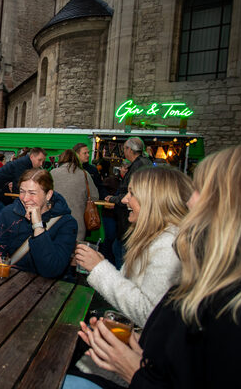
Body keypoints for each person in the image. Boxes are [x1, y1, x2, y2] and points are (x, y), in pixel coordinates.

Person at [76, 142, 241, 388]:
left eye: (201, 190)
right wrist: (131, 344)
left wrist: (135, 370)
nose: (191, 201)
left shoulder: (239, 306)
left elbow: (150, 313)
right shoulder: (214, 275)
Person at [64, 166, 192, 388]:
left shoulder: (168, 247)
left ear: (153, 200)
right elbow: (129, 291)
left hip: (140, 368)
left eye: (132, 194)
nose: (124, 200)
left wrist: (99, 268)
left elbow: (149, 314)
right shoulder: (154, 239)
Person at [0, 168, 77, 279]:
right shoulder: (9, 213)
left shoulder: (66, 223)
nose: (25, 198)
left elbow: (52, 270)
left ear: (48, 195)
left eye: (32, 193)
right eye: (22, 191)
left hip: (47, 288)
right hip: (11, 281)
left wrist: (38, 226)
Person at [0, 147, 47, 238]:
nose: (41, 164)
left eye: (42, 161)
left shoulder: (25, 164)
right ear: (32, 156)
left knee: (0, 227)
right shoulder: (23, 164)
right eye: (39, 160)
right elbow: (19, 187)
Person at [105, 137, 151, 268]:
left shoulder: (138, 166)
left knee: (121, 253)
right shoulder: (144, 163)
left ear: (129, 149)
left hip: (130, 220)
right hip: (130, 220)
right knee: (117, 248)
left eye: (124, 148)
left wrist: (114, 199)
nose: (124, 151)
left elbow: (133, 193)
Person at [50, 149, 99, 241]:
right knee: (75, 251)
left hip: (55, 220)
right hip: (78, 222)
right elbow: (95, 196)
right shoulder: (84, 174)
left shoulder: (53, 173)